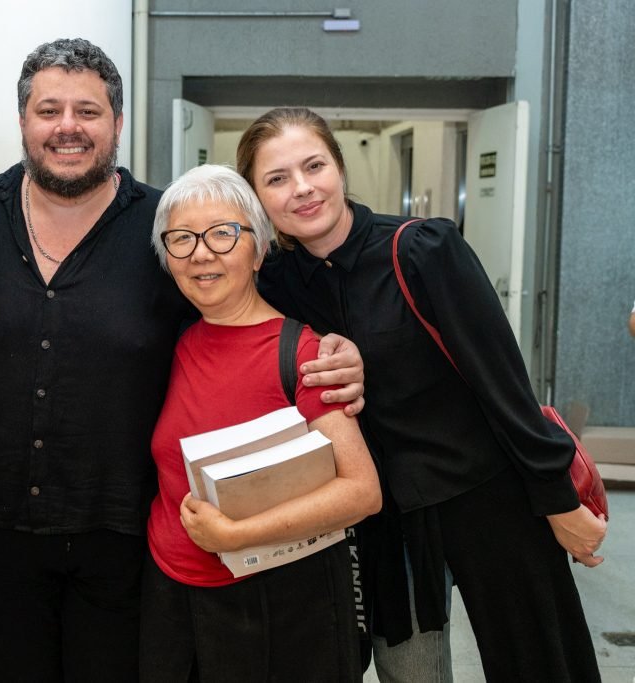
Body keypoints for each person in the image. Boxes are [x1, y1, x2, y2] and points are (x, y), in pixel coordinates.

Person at [0, 39, 365, 682]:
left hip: (124, 543)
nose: (68, 127)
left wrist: (344, 346)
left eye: (89, 111)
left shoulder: (166, 231)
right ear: (23, 121)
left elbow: (249, 302)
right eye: (49, 110)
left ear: (118, 124)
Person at [238, 107, 607, 682]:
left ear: (339, 167)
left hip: (487, 497)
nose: (302, 189)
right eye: (277, 178)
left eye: (314, 165)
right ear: (258, 197)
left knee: (542, 664)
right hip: (385, 521)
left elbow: (503, 381)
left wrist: (557, 498)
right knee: (411, 673)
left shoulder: (421, 249)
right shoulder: (276, 283)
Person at [140, 164, 381, 682]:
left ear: (260, 249)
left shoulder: (306, 354)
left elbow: (362, 492)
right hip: (171, 600)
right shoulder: (174, 344)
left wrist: (237, 534)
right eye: (181, 239)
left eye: (224, 234)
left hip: (279, 605)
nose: (202, 253)